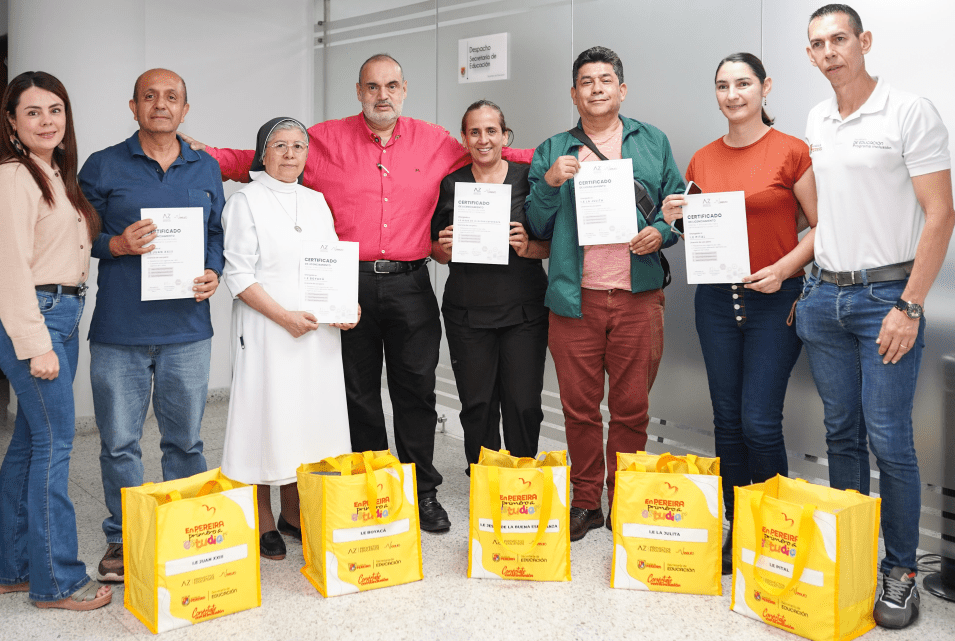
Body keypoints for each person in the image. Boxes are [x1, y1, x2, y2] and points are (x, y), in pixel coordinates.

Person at [187, 54, 533, 532]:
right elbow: (265, 155)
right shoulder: (323, 139)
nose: (382, 95)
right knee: (358, 394)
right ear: (359, 92)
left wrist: (558, 159)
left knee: (416, 391)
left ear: (404, 89)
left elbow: (490, 151)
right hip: (347, 286)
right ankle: (373, 491)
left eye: (391, 86)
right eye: (372, 87)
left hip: (411, 283)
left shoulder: (435, 141)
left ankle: (421, 492)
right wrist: (206, 154)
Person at [796, 4, 953, 629]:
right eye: (817, 44)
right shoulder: (817, 118)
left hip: (885, 299)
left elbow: (941, 215)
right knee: (840, 434)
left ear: (864, 41)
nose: (829, 52)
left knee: (889, 439)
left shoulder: (908, 111)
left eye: (839, 39)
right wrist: (802, 281)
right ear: (809, 55)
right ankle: (852, 555)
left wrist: (909, 306)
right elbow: (830, 213)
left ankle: (900, 569)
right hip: (825, 298)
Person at [661, 52, 817, 573]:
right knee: (726, 420)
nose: (732, 94)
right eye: (723, 85)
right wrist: (676, 220)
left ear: (765, 88)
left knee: (759, 422)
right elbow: (703, 234)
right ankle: (737, 528)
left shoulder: (792, 151)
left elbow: (820, 226)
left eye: (743, 83)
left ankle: (774, 532)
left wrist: (783, 267)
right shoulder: (702, 159)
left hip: (776, 299)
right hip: (716, 301)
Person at [525, 46, 685, 542]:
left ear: (622, 89)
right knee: (579, 409)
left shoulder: (652, 141)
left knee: (632, 408)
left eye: (605, 79)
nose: (596, 88)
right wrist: (550, 183)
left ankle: (626, 499)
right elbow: (536, 225)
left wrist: (662, 232)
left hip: (638, 297)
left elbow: (678, 206)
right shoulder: (553, 149)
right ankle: (586, 501)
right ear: (574, 94)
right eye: (586, 82)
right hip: (575, 300)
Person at [79, 69, 226, 581]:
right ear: (133, 106)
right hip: (119, 331)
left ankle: (187, 535)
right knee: (119, 444)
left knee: (185, 442)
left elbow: (216, 232)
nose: (161, 104)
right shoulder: (102, 165)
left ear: (185, 109)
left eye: (171, 97)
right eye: (150, 96)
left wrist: (214, 270)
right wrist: (116, 244)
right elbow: (78, 236)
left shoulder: (205, 167)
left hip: (188, 331)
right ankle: (125, 538)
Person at [0, 71, 112, 610]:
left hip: (60, 314)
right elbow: (9, 268)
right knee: (55, 447)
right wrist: (36, 344)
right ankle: (58, 582)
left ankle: (8, 569)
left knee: (30, 444)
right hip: (34, 319)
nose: (47, 120)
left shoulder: (54, 174)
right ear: (11, 123)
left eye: (55, 109)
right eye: (32, 112)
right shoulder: (13, 177)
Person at [221, 117, 358, 559]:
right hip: (268, 329)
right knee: (265, 419)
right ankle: (263, 521)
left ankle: (293, 514)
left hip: (316, 333)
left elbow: (331, 260)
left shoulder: (316, 201)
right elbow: (238, 275)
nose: (290, 154)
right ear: (263, 153)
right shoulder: (245, 201)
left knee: (306, 421)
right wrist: (283, 317)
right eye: (279, 145)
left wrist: (347, 306)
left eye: (298, 146)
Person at [430, 100, 549, 470]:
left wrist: (529, 247)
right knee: (477, 405)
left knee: (523, 403)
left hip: (524, 312)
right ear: (464, 138)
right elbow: (436, 250)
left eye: (491, 131)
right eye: (475, 132)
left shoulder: (529, 179)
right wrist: (444, 248)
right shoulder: (451, 184)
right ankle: (485, 478)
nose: (484, 139)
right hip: (468, 313)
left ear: (505, 135)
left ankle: (522, 480)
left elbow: (553, 243)